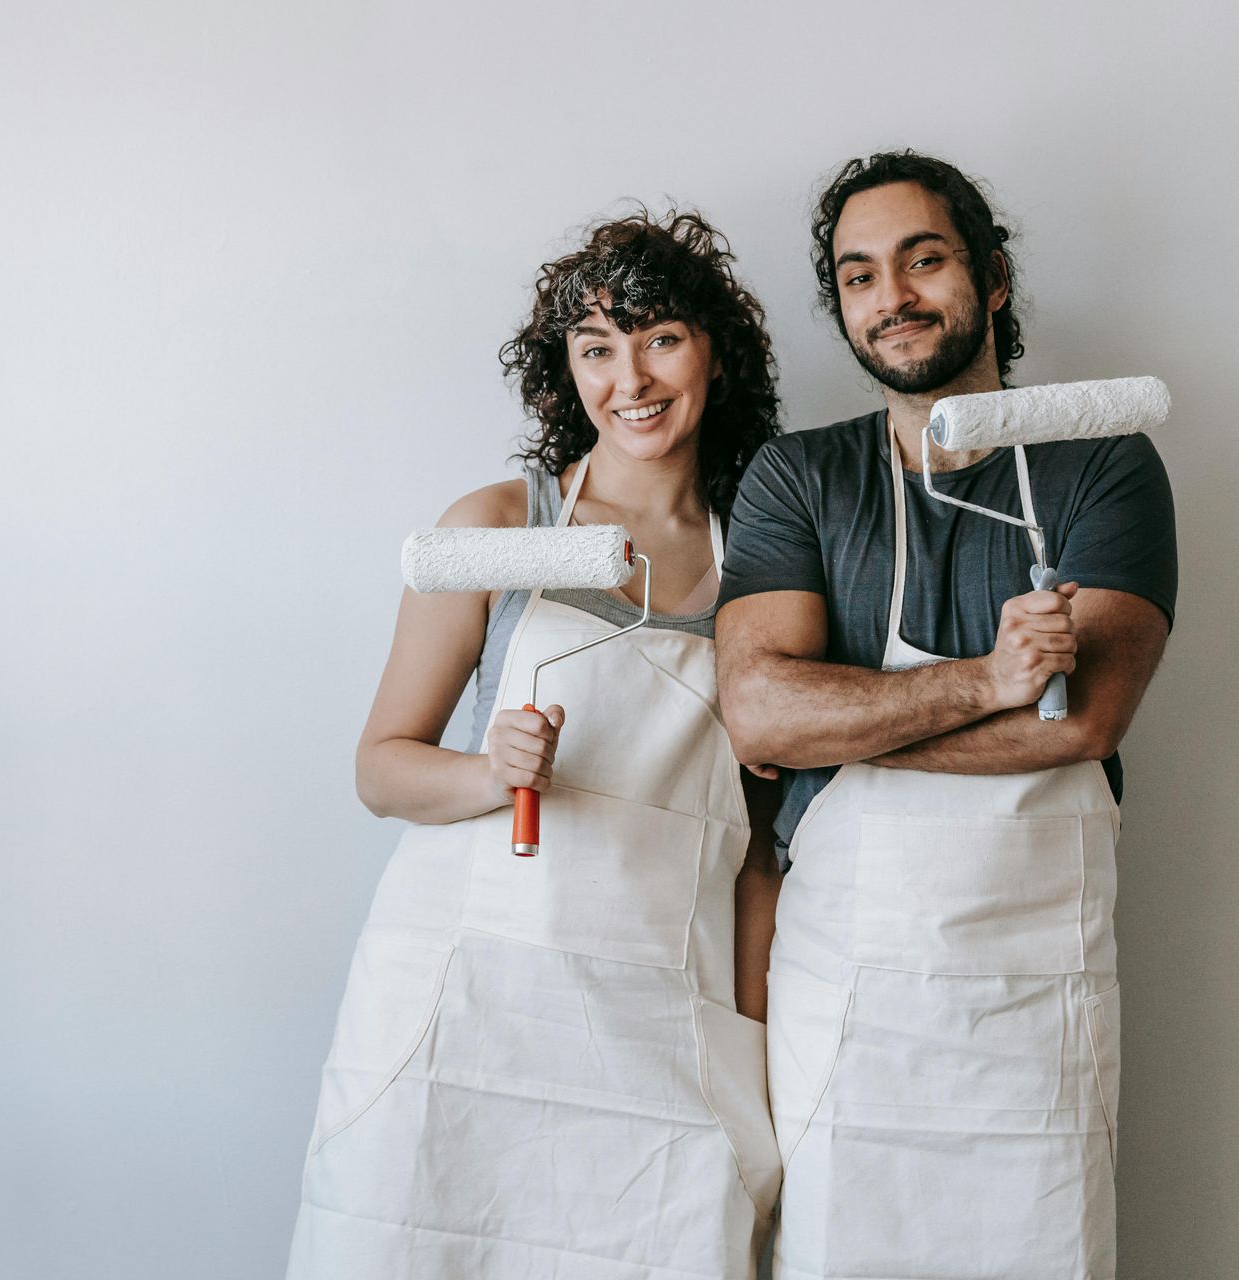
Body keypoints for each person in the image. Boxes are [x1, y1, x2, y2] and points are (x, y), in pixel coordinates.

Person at [288, 210, 787, 1278]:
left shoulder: (764, 555)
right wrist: (487, 770)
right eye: (596, 347)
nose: (631, 378)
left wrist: (754, 1056)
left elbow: (756, 854)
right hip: (465, 1015)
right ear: (566, 371)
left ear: (714, 350)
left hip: (659, 1025)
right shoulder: (499, 524)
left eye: (659, 338)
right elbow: (380, 763)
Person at [715, 152, 1177, 1279]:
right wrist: (985, 680)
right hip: (848, 982)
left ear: (993, 275)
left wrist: (857, 720)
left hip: (1036, 995)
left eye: (924, 258)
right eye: (861, 274)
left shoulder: (1102, 461)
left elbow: (1081, 724)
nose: (895, 295)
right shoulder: (799, 477)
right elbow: (760, 713)